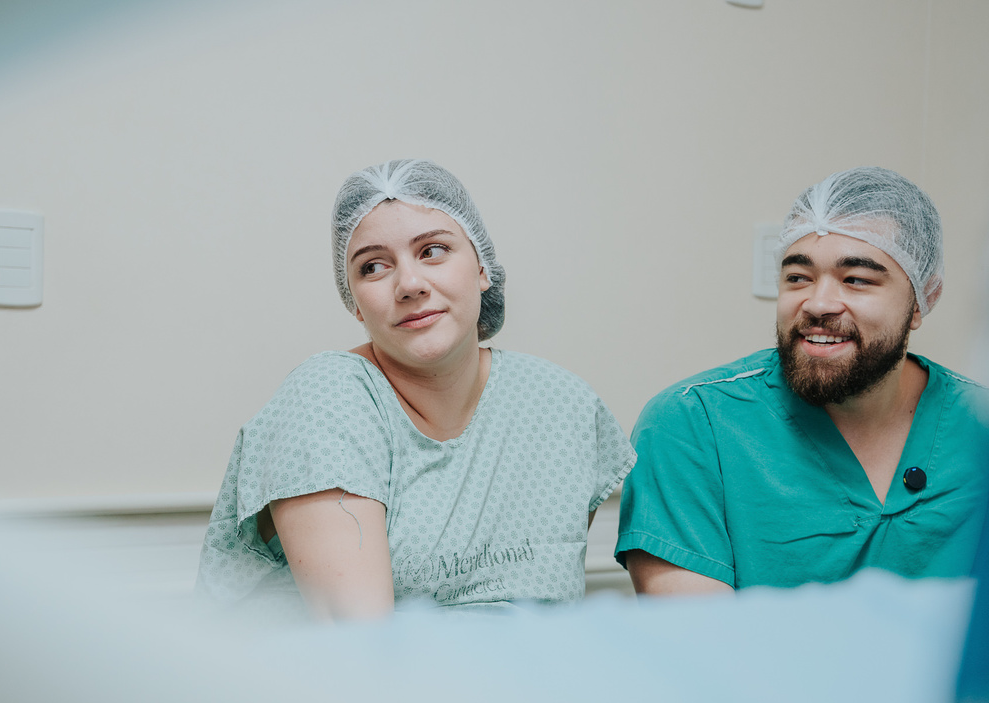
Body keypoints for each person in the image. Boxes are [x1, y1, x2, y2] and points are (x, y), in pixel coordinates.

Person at [196, 159, 635, 618]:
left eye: (433, 251)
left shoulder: (560, 407)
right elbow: (360, 647)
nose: (409, 284)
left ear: (482, 268)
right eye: (374, 266)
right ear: (356, 306)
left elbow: (552, 616)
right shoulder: (326, 400)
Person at [615, 166, 989, 594]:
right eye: (798, 277)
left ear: (924, 299)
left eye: (857, 280)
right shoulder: (693, 425)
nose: (818, 303)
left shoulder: (978, 425)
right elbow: (700, 645)